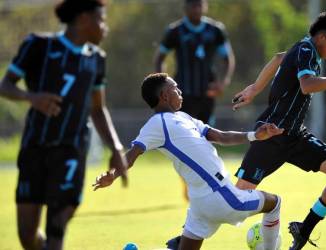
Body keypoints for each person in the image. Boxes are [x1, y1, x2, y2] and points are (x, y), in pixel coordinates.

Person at [93, 73, 284, 250]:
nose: (180, 91)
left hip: (200, 205)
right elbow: (132, 155)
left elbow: (221, 136)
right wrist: (112, 175)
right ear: (164, 96)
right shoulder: (156, 124)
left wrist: (254, 135)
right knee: (275, 203)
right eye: (175, 88)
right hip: (221, 196)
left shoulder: (184, 117)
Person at [232, 10, 326, 250]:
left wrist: (254, 88)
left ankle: (304, 229)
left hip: (295, 136)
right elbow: (307, 86)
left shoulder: (305, 49)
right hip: (270, 135)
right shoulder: (306, 50)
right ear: (322, 37)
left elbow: (278, 57)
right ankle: (185, 238)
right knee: (234, 203)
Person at [0, 1, 128, 249]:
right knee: (27, 235)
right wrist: (31, 97)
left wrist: (116, 148)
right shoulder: (38, 46)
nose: (105, 28)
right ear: (82, 19)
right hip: (34, 147)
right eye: (101, 20)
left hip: (71, 150)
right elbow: (5, 85)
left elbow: (98, 108)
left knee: (56, 224)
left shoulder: (97, 60)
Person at [153, 0, 235, 124]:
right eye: (193, 5)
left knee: (206, 132)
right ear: (185, 7)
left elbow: (228, 59)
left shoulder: (215, 30)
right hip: (182, 92)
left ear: (205, 6)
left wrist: (222, 82)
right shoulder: (175, 31)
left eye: (199, 5)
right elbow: (159, 58)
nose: (197, 9)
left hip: (207, 92)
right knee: (183, 131)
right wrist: (164, 85)